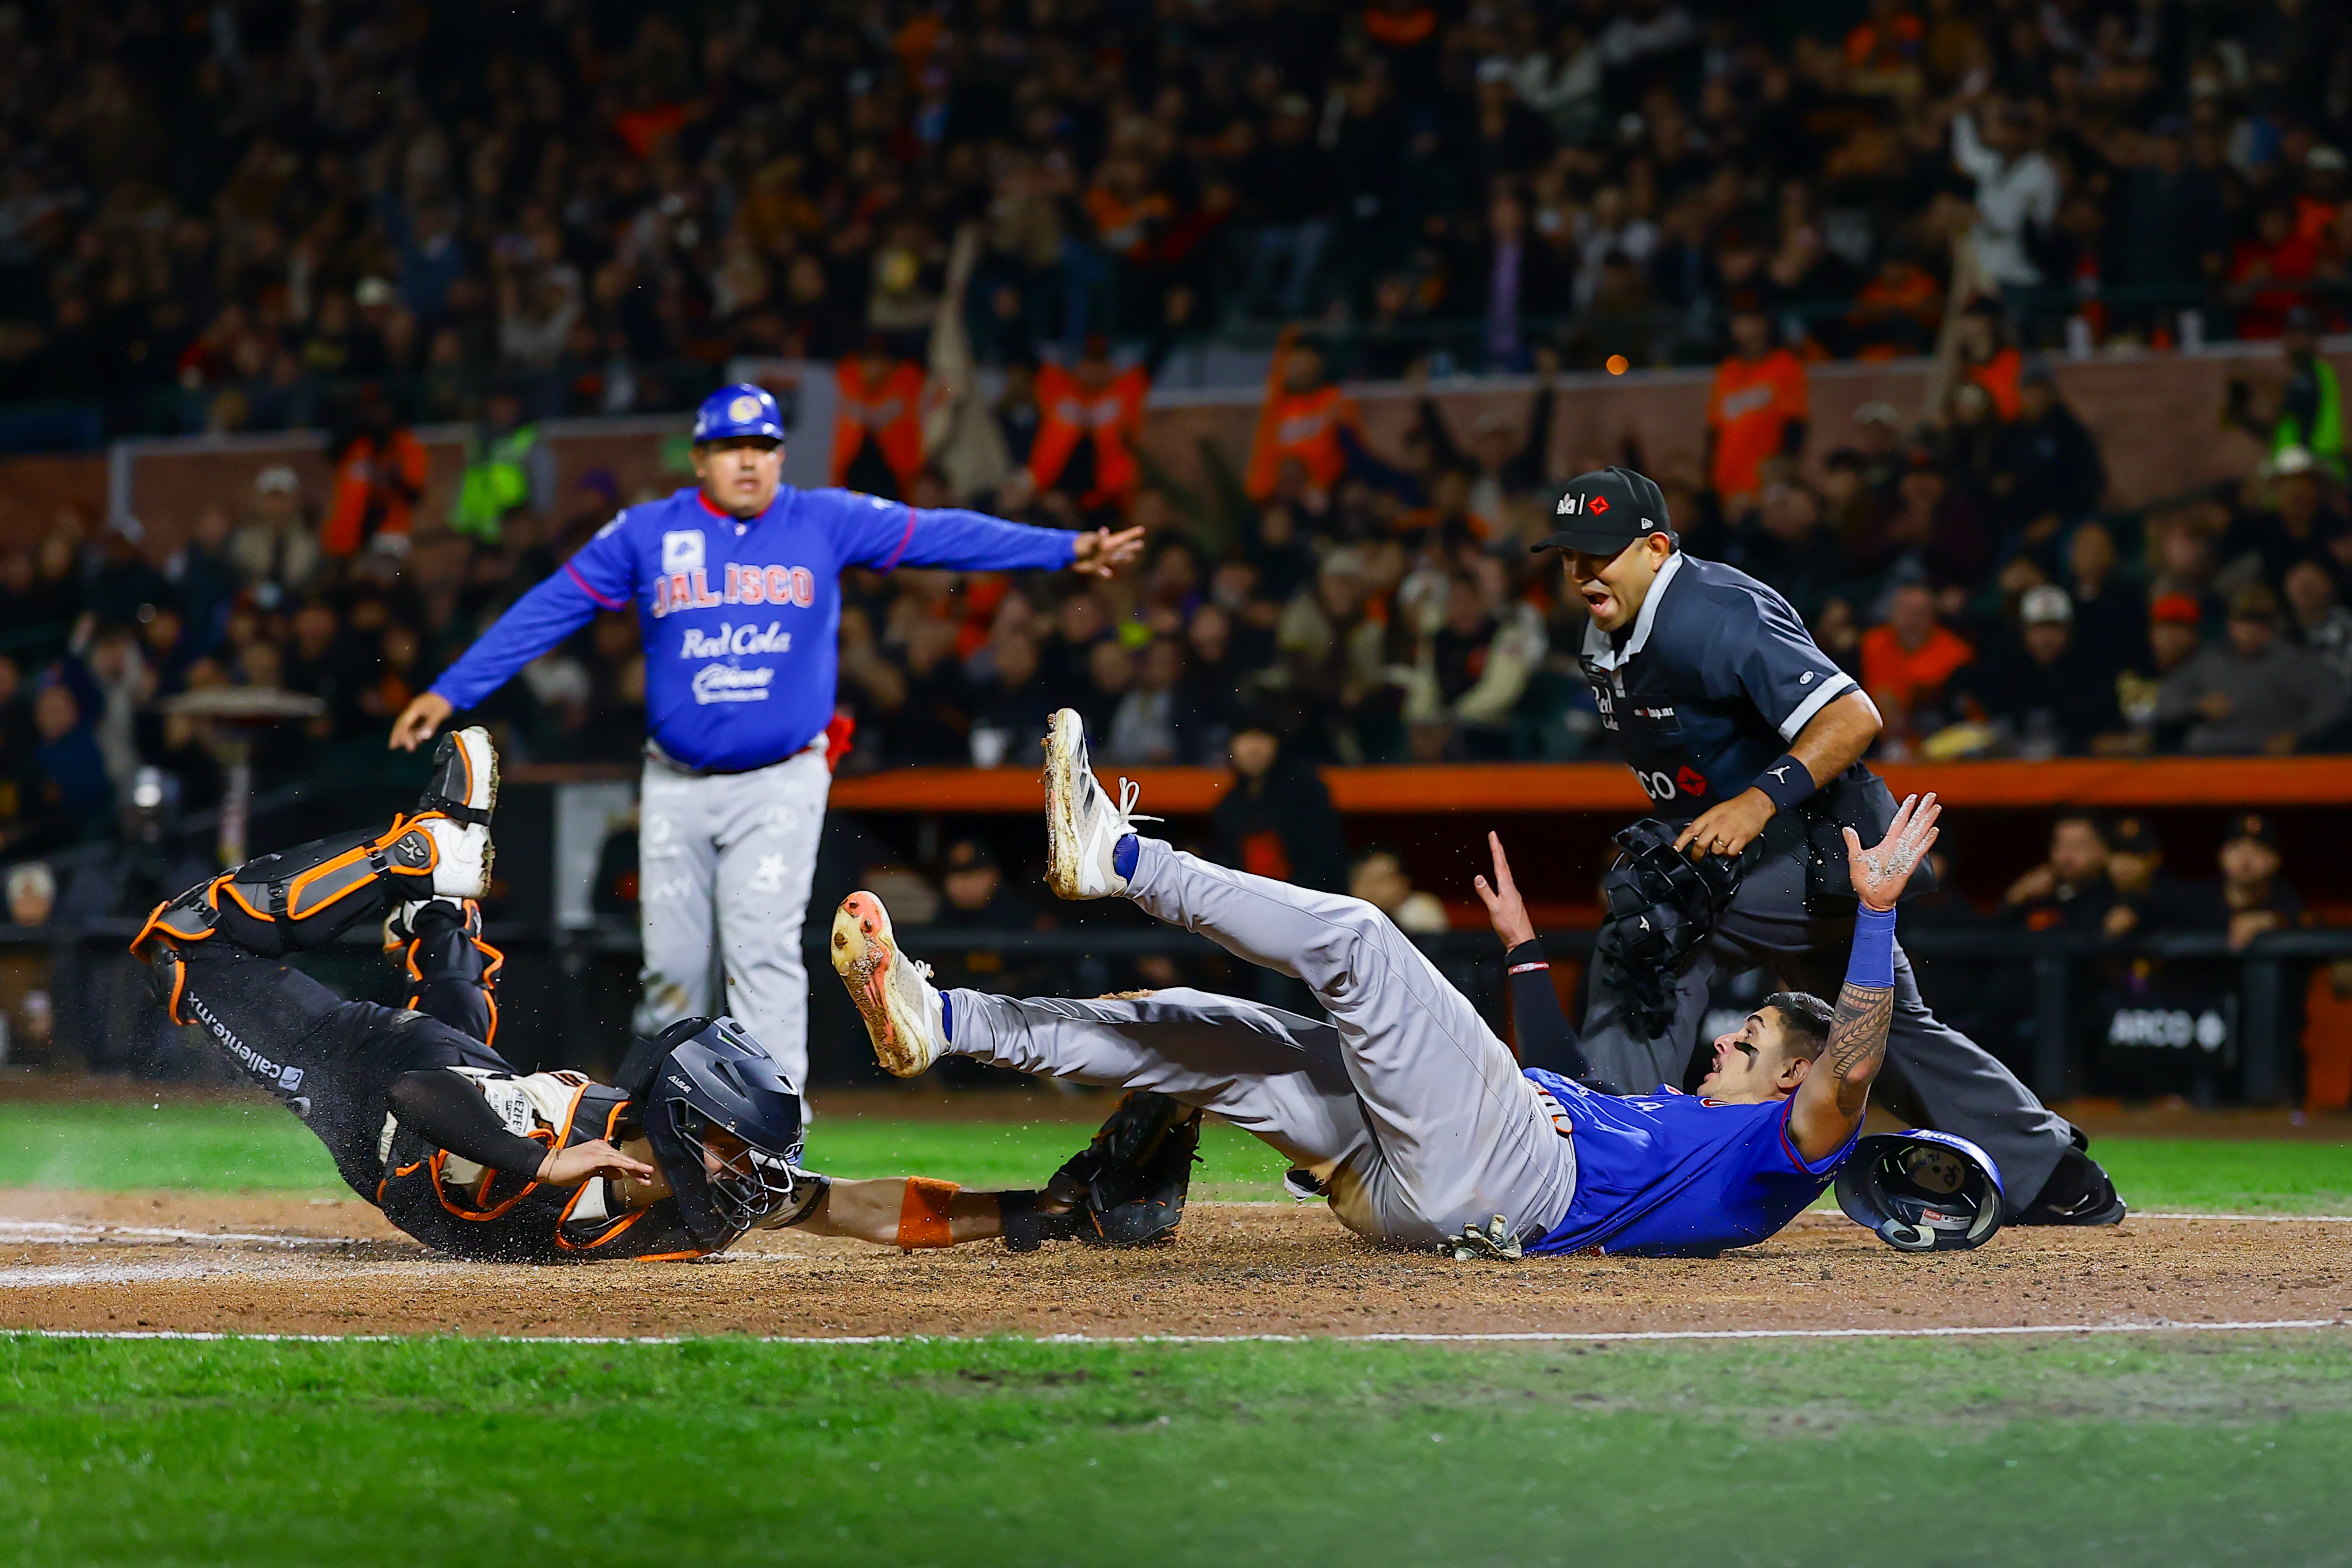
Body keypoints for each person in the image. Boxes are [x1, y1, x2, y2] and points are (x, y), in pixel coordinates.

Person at [828, 709, 1955, 1257]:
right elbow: (1558, 1077)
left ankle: (1118, 857)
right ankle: (942, 1018)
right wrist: (1520, 949)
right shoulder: (1677, 1131)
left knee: (1361, 940)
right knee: (1202, 1034)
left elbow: (1848, 1078)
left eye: (1750, 1039)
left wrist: (1874, 911)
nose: (1724, 1042)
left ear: (1793, 1076)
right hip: (1437, 1190)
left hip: (1505, 1162)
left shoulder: (1774, 1150)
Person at [129, 728, 1182, 1261]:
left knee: (454, 1017)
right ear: (676, 1128)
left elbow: (853, 1202)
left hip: (461, 1089)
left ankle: (440, 910)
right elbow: (410, 1086)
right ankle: (416, 860)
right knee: (187, 937)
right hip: (366, 1075)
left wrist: (1027, 1212)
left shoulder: (699, 1184)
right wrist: (548, 1152)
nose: (746, 1171)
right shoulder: (604, 1148)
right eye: (730, 1146)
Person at [388, 384, 1144, 1090]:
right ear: (701, 458)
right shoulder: (651, 531)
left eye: (762, 443)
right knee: (672, 970)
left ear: (781, 454)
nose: (748, 458)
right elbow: (552, 606)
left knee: (762, 953)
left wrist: (1064, 549)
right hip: (675, 780)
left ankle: (778, 1124)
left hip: (782, 777)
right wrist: (449, 690)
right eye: (730, 445)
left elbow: (942, 535)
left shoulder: (822, 517)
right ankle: (669, 1110)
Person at [1539, 464, 2117, 1225]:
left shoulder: (1715, 611)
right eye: (1569, 555)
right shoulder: (1612, 622)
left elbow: (1853, 715)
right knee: (1883, 1025)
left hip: (1817, 843)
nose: (1580, 571)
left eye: (1599, 553)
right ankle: (2050, 1171)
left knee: (1657, 928)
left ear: (1654, 547)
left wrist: (1752, 802)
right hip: (1761, 852)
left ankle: (1602, 1162)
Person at [2155, 582, 2347, 755]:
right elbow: (2169, 697)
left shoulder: (2292, 663)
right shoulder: (2210, 658)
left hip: (2262, 755)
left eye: (2258, 622)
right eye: (2242, 621)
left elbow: (2332, 703)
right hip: (2206, 754)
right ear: (2230, 624)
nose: (2249, 629)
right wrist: (2195, 707)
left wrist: (2298, 735)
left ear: (2273, 627)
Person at [1704, 305, 1808, 515]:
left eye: (1752, 318)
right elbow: (1715, 430)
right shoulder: (1728, 370)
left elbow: (1795, 424)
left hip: (1766, 482)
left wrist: (1784, 467)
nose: (1745, 327)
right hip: (1728, 482)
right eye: (1740, 319)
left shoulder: (1784, 365)